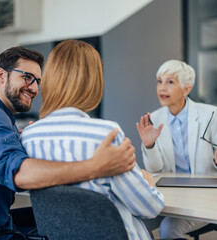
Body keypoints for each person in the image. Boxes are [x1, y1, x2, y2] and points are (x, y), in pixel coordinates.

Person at [0, 46, 136, 238]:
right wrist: (95, 166)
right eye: (27, 77)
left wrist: (20, 140)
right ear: (1, 75)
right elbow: (19, 176)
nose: (34, 88)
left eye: (38, 82)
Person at [21, 39, 165, 240]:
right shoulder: (107, 133)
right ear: (93, 81)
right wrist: (148, 185)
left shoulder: (29, 136)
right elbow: (150, 207)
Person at [136, 59, 217, 239]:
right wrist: (149, 145)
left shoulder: (211, 114)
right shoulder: (155, 118)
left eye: (170, 82)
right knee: (134, 222)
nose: (162, 88)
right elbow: (154, 169)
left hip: (205, 195)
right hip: (169, 196)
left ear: (187, 89)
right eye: (159, 81)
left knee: (168, 229)